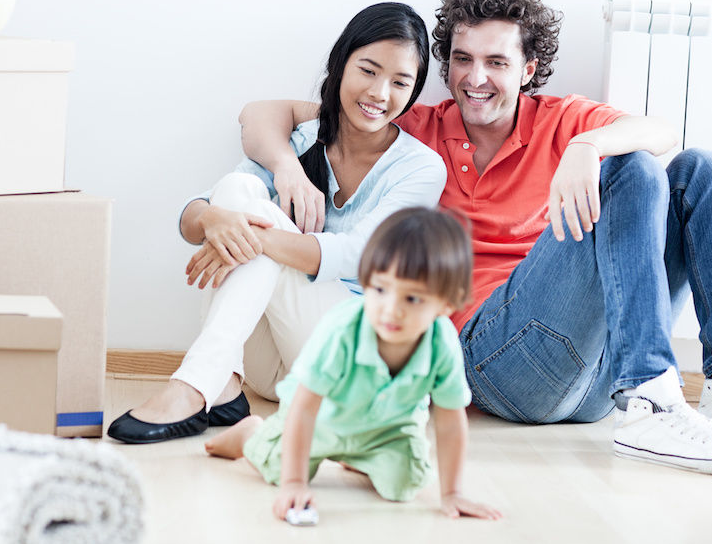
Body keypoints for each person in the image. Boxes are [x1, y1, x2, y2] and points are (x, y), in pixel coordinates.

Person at [239, 0, 712, 474]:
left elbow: (663, 131)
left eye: (497, 63)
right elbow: (264, 112)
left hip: (596, 374)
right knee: (635, 173)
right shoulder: (415, 130)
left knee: (704, 170)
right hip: (493, 358)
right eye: (462, 59)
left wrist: (586, 146)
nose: (476, 78)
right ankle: (649, 394)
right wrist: (286, 165)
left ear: (528, 70)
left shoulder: (561, 119)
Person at [106, 2, 447, 444]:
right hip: (270, 373)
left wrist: (246, 234)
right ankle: (223, 383)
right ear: (341, 65)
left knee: (249, 219)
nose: (380, 92)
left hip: (345, 362)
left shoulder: (421, 168)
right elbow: (196, 217)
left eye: (400, 82)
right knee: (235, 191)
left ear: (414, 91)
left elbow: (354, 257)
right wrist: (215, 218)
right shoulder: (301, 141)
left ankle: (195, 386)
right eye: (368, 70)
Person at [206, 208, 501, 521]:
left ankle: (360, 457)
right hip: (320, 421)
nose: (391, 310)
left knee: (407, 484)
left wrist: (452, 492)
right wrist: (294, 484)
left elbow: (451, 419)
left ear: (447, 303)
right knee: (279, 468)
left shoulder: (442, 341)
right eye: (380, 289)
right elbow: (305, 408)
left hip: (386, 431)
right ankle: (252, 434)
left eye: (412, 299)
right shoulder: (343, 329)